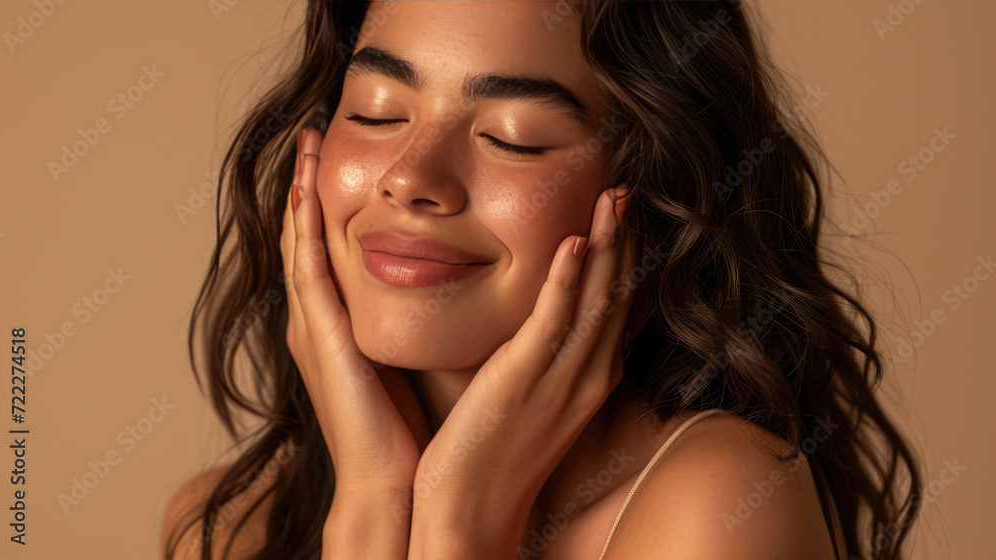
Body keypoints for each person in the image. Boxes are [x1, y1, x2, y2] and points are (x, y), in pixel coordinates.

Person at [162, 1, 923, 559]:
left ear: (653, 198)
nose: (410, 178)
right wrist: (371, 508)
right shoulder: (224, 526)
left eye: (512, 138)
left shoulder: (717, 508)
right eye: (378, 112)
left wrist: (462, 525)